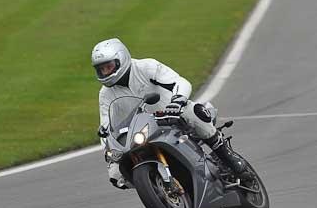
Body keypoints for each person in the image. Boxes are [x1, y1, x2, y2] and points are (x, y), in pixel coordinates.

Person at [91, 37, 248, 189]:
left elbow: (179, 82)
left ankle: (227, 157)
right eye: (101, 69)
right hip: (144, 130)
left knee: (191, 111)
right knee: (116, 173)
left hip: (172, 115)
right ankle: (157, 188)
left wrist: (177, 101)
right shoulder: (105, 94)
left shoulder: (146, 67)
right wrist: (109, 154)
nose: (105, 72)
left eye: (108, 66)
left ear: (121, 58)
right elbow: (106, 126)